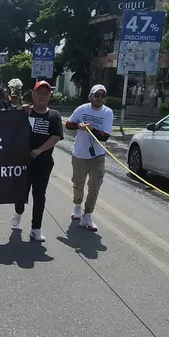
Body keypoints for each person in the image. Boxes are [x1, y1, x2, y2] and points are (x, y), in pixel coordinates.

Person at [13, 80, 63, 242]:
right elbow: (11, 127)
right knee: (21, 192)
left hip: (43, 163)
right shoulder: (26, 112)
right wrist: (19, 112)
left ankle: (36, 229)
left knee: (39, 195)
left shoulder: (54, 116)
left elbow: (56, 136)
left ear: (49, 96)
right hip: (24, 161)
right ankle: (18, 212)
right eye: (39, 93)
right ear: (33, 95)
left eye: (46, 94)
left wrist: (39, 150)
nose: (42, 96)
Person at [63, 84, 114, 232]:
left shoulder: (107, 112)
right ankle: (77, 206)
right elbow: (68, 124)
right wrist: (78, 125)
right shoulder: (82, 109)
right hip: (79, 154)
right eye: (96, 95)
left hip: (97, 156)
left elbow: (105, 136)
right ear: (90, 96)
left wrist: (92, 129)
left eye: (102, 95)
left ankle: (88, 215)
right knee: (78, 183)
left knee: (94, 186)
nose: (99, 98)